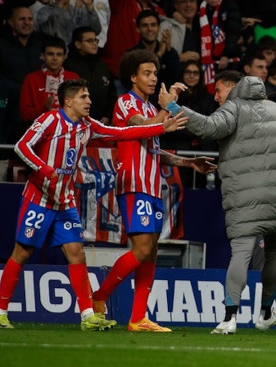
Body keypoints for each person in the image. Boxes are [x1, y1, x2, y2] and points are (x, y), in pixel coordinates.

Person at [0, 78, 185, 330]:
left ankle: (88, 316)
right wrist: (43, 168)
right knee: (22, 253)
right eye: (84, 97)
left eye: (89, 96)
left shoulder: (87, 126)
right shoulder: (50, 120)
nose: (89, 101)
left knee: (77, 254)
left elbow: (122, 132)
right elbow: (22, 147)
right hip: (39, 198)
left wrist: (161, 128)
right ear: (68, 101)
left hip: (65, 201)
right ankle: (1, 311)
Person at [164, 71, 276, 335]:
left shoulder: (234, 108)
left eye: (218, 90)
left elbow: (207, 127)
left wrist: (172, 107)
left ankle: (229, 319)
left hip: (244, 198)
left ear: (232, 87)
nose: (215, 97)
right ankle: (265, 314)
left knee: (241, 253)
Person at [91, 50, 216, 332]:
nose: (152, 78)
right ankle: (98, 297)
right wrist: (167, 106)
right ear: (133, 77)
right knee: (142, 249)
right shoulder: (126, 103)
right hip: (133, 184)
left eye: (155, 73)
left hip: (152, 187)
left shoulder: (150, 109)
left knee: (151, 252)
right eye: (147, 73)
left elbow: (157, 150)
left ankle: (138, 318)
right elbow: (141, 127)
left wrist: (189, 162)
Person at [19, 37, 80, 125]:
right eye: (50, 54)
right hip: (39, 132)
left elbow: (81, 109)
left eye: (59, 55)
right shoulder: (31, 79)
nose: (55, 58)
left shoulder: (73, 78)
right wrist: (44, 108)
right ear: (42, 56)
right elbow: (24, 115)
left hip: (68, 131)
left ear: (64, 57)